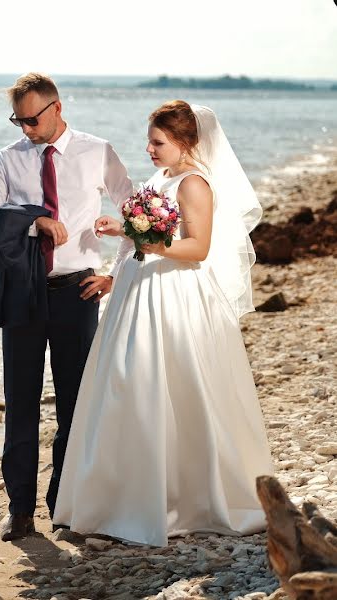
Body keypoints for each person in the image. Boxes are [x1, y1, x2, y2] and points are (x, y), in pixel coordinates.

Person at [52, 101, 274, 546]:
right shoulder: (161, 179)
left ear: (186, 142)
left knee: (167, 387)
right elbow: (143, 237)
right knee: (123, 386)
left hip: (174, 295)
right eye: (149, 140)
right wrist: (113, 275)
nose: (148, 148)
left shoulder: (194, 184)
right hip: (138, 289)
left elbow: (197, 249)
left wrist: (137, 236)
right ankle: (120, 496)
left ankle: (181, 497)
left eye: (158, 142)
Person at [0, 72, 133, 541]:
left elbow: (136, 213)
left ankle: (64, 503)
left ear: (57, 108)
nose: (24, 129)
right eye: (17, 121)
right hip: (22, 290)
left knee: (75, 405)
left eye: (31, 120)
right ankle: (19, 509)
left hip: (77, 290)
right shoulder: (8, 159)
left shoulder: (97, 151)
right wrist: (33, 221)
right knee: (20, 403)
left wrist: (113, 276)